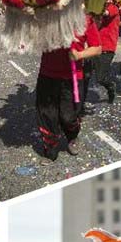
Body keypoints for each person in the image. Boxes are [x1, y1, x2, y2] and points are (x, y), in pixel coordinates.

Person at [35, 14, 102, 160]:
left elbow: (97, 48)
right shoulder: (47, 16)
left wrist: (79, 55)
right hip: (47, 75)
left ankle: (72, 137)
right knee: (47, 115)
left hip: (72, 78)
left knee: (68, 117)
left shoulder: (85, 19)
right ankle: (50, 151)